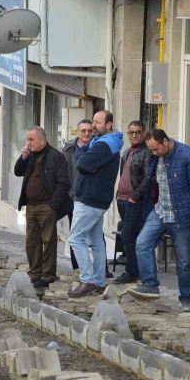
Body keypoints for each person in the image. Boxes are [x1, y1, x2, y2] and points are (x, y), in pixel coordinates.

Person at [130, 129, 190, 312]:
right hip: (160, 211)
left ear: (165, 141)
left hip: (181, 215)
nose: (154, 153)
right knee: (142, 244)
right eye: (151, 150)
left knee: (184, 261)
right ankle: (150, 284)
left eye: (156, 149)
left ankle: (186, 297)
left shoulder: (187, 156)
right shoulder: (154, 157)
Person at [67, 110, 123, 298]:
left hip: (90, 198)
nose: (93, 126)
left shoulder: (103, 145)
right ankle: (99, 282)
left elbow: (82, 164)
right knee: (96, 240)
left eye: (98, 122)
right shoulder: (104, 143)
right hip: (97, 198)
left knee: (76, 238)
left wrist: (83, 150)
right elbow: (86, 164)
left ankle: (88, 280)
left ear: (109, 125)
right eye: (94, 121)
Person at [14, 127, 72, 288]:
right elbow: (17, 172)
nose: (28, 143)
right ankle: (34, 272)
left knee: (48, 241)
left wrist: (54, 205)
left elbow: (64, 183)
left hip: (47, 205)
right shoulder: (30, 155)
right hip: (31, 205)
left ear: (41, 140)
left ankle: (47, 275)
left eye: (31, 140)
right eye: (27, 140)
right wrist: (23, 157)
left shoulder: (55, 156)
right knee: (31, 241)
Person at [114, 121, 150, 284]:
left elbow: (148, 179)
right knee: (129, 235)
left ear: (143, 134)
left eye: (138, 132)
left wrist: (134, 197)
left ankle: (132, 272)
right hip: (122, 200)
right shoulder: (128, 151)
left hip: (134, 202)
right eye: (131, 132)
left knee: (129, 235)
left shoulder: (146, 153)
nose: (134, 135)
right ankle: (135, 269)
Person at [62, 119, 93, 270]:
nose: (87, 134)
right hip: (74, 198)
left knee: (96, 235)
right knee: (75, 235)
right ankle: (77, 269)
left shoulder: (98, 148)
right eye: (83, 131)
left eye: (90, 130)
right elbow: (63, 173)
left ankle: (102, 269)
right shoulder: (68, 149)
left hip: (93, 199)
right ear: (78, 132)